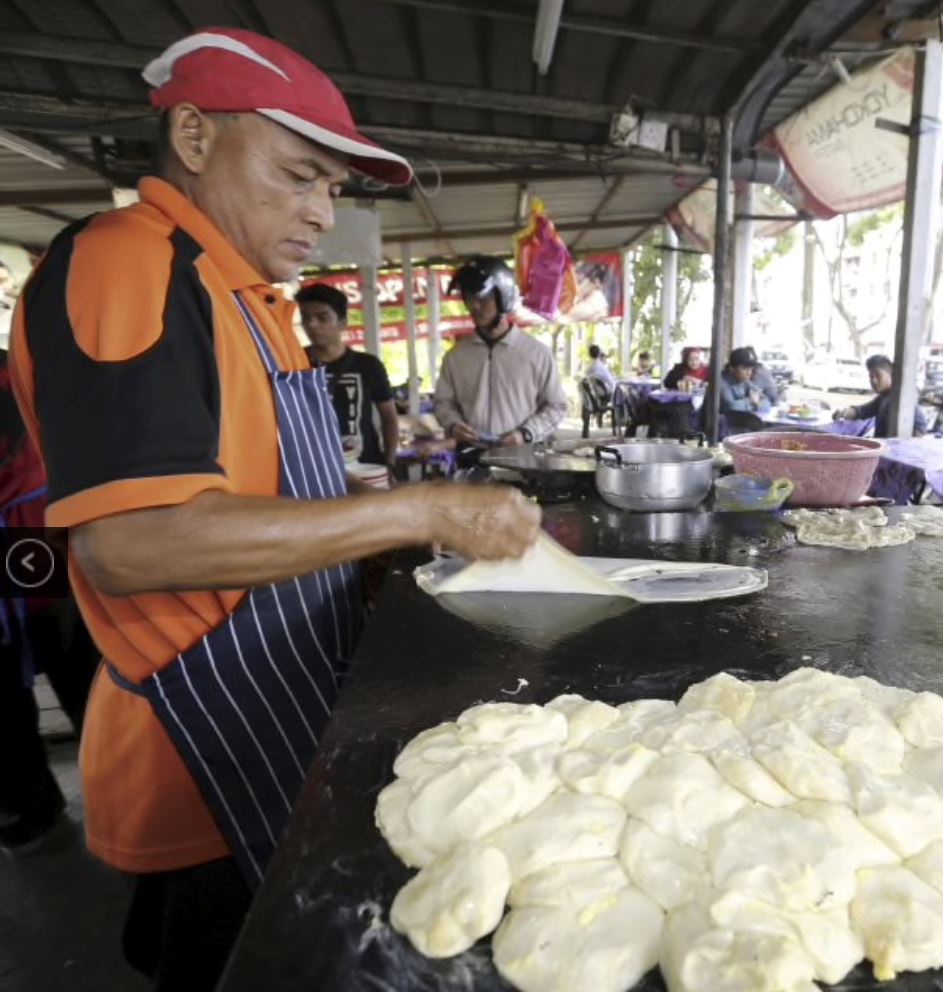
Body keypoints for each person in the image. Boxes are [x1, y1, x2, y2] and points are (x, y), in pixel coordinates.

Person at [8, 29, 539, 988]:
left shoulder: (246, 296)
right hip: (203, 739)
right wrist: (418, 512)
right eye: (299, 176)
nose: (321, 212)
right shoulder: (131, 265)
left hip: (285, 698)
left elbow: (250, 484)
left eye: (331, 188)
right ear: (195, 137)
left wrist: (352, 510)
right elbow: (131, 544)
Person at [0, 348, 100, 855]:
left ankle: (113, 795)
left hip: (34, 536)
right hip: (35, 533)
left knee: (77, 668)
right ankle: (31, 805)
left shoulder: (16, 367)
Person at [435, 255, 568, 447]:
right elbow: (444, 403)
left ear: (503, 297)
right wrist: (454, 425)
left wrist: (526, 434)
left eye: (483, 298)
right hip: (472, 455)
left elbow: (556, 406)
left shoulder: (537, 354)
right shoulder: (455, 358)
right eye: (469, 298)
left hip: (521, 456)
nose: (474, 306)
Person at [296, 282, 400, 469]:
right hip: (313, 469)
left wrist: (389, 462)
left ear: (343, 323)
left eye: (322, 318)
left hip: (365, 467)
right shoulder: (293, 365)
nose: (311, 324)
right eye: (306, 317)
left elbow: (389, 417)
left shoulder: (368, 365)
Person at [833, 354, 928, 438]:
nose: (873, 381)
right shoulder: (883, 398)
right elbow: (863, 411)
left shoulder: (902, 398)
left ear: (892, 375)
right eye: (871, 377)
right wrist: (843, 413)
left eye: (878, 375)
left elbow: (920, 427)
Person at [720, 348, 771, 416]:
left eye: (751, 369)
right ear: (732, 368)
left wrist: (756, 404)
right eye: (745, 368)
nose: (749, 372)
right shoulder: (721, 381)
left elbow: (767, 403)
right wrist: (752, 402)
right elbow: (731, 407)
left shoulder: (745, 382)